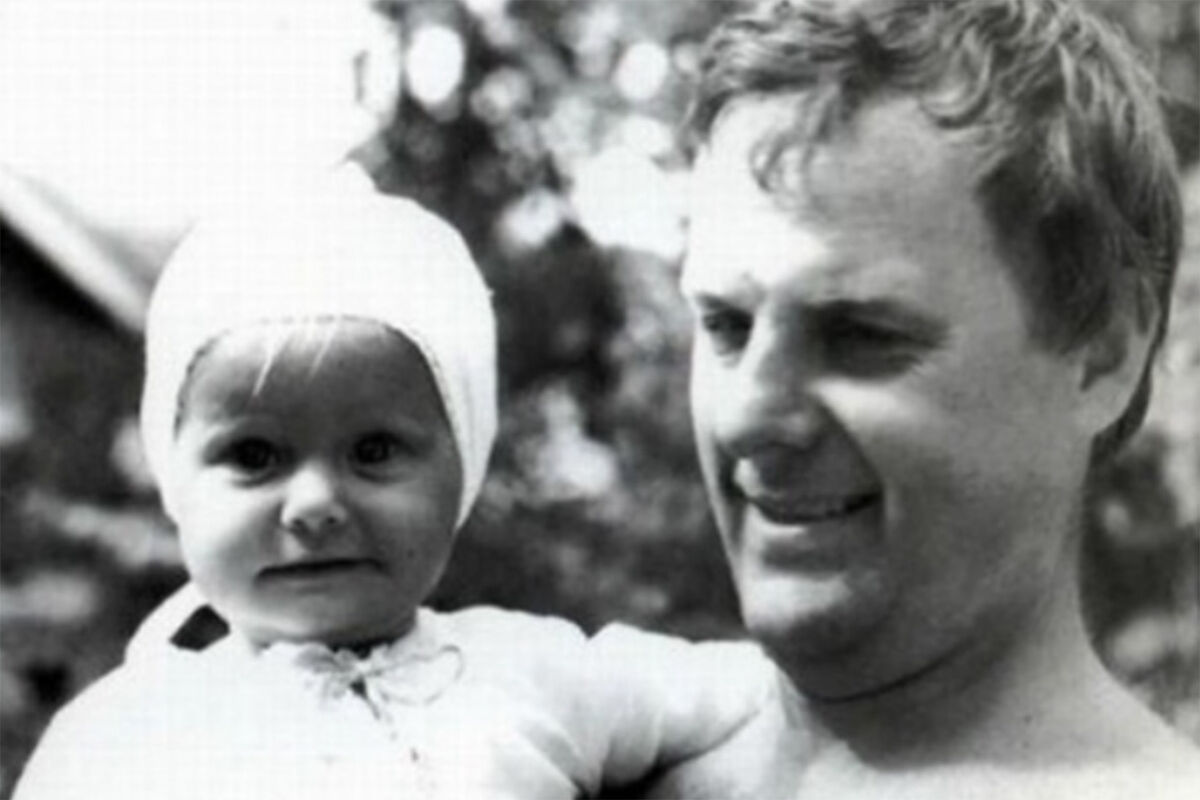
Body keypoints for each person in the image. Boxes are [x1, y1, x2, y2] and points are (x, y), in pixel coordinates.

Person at [12, 171, 776, 800]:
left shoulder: (541, 676)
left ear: (462, 465)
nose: (315, 504)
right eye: (253, 455)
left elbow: (780, 692)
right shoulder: (122, 740)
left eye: (373, 450)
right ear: (176, 477)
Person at [650, 0, 1200, 797]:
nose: (747, 418)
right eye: (726, 326)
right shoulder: (529, 763)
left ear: (1101, 354)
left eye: (860, 334)